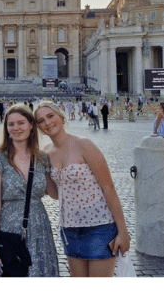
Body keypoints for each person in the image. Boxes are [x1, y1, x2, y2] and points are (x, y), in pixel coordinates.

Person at [35, 101, 130, 276]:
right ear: (39, 128)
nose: (47, 123)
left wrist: (123, 232)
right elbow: (56, 195)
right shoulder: (45, 153)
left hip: (100, 227)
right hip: (69, 229)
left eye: (50, 116)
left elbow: (108, 188)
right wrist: (43, 170)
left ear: (61, 117)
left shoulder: (84, 145)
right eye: (41, 121)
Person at [0, 105, 60, 277]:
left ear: (31, 125)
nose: (16, 128)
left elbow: (54, 193)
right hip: (8, 230)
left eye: (21, 123)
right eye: (11, 124)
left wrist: (65, 163)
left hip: (39, 229)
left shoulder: (42, 158)